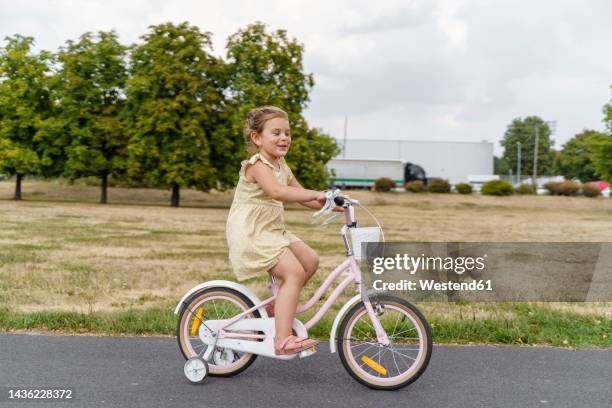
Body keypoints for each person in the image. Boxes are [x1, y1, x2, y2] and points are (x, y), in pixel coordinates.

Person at [226, 106, 336, 355]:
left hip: (273, 230)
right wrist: (317, 194)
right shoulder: (257, 165)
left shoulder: (281, 164)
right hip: (252, 233)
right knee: (294, 273)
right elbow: (278, 192)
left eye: (287, 133)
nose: (284, 138)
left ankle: (276, 310)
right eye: (276, 132)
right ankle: (283, 339)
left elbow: (300, 195)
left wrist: (330, 203)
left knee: (311, 260)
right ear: (257, 138)